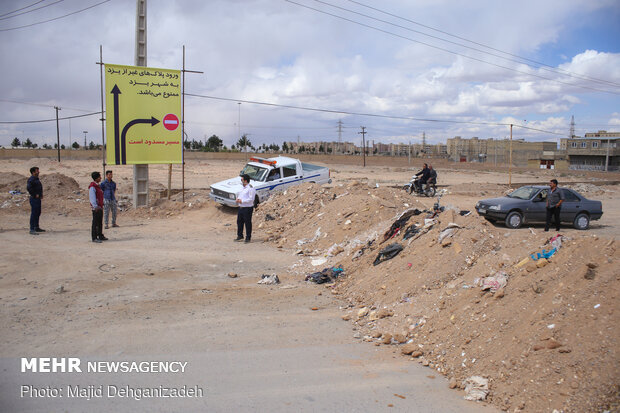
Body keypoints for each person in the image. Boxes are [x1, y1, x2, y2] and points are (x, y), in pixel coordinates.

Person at [235, 174, 256, 243]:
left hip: (247, 208)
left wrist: (242, 201)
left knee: (247, 223)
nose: (241, 181)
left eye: (242, 180)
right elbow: (240, 195)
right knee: (239, 222)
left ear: (245, 180)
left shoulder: (250, 188)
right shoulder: (242, 188)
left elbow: (251, 199)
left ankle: (248, 237)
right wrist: (238, 199)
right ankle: (240, 235)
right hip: (241, 207)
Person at [89, 172, 108, 243]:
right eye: (99, 177)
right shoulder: (92, 187)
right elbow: (92, 198)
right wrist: (95, 206)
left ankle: (100, 235)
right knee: (95, 223)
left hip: (99, 206)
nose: (100, 178)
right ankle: (94, 237)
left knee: (100, 222)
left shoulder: (97, 186)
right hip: (96, 208)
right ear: (96, 178)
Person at [27, 166, 44, 235]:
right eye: (37, 171)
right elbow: (29, 188)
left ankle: (36, 227)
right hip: (34, 199)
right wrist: (34, 194)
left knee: (38, 212)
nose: (38, 172)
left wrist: (41, 194)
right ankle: (32, 229)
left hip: (38, 198)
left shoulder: (36, 179)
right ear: (33, 172)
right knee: (34, 213)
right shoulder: (31, 179)